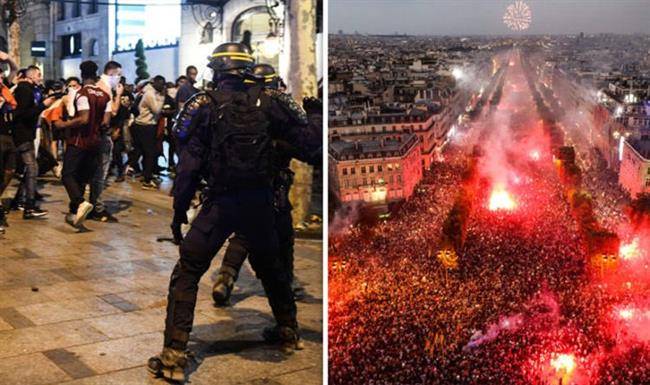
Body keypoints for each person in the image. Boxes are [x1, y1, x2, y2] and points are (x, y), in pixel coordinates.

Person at [147, 42, 321, 382]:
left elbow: (188, 168)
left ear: (215, 70)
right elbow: (311, 147)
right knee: (271, 269)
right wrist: (314, 113)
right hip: (260, 203)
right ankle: (287, 328)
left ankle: (174, 353)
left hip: (220, 203)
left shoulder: (202, 105)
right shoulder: (273, 102)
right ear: (247, 69)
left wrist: (179, 211)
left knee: (188, 271)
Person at [211, 63, 321, 305]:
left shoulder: (237, 109)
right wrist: (315, 116)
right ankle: (286, 292)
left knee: (242, 234)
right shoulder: (278, 112)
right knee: (283, 238)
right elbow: (310, 148)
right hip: (273, 188)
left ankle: (226, 276)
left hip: (240, 184)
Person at [53, 60, 111, 228]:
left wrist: (64, 124)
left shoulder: (82, 93)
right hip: (96, 142)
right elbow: (106, 122)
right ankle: (74, 213)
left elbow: (84, 119)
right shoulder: (105, 95)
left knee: (67, 174)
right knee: (82, 177)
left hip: (79, 141)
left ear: (82, 75)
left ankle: (80, 203)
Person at [12, 65, 55, 218]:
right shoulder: (24, 90)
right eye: (38, 75)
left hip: (26, 134)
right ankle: (29, 206)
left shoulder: (29, 90)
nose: (40, 77)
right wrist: (43, 106)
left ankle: (17, 201)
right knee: (32, 168)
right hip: (22, 135)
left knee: (28, 168)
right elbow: (22, 114)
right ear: (30, 76)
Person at [132, 75, 166, 190]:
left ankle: (147, 174)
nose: (163, 86)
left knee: (146, 152)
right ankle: (147, 180)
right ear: (155, 83)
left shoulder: (149, 92)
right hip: (145, 126)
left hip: (144, 125)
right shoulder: (150, 94)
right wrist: (162, 97)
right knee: (150, 153)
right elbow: (156, 110)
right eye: (161, 83)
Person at [0, 52, 18, 233]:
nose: (1, 78)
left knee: (10, 170)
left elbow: (14, 69)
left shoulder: (5, 89)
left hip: (8, 136)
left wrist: (7, 58)